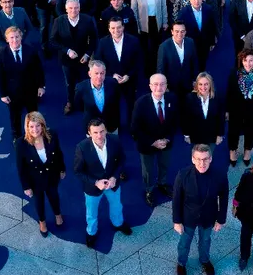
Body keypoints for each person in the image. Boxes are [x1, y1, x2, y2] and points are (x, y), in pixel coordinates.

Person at [73, 119, 133, 248]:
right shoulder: (82, 147)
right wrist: (95, 182)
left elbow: (122, 160)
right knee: (91, 212)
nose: (99, 136)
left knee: (117, 206)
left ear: (106, 130)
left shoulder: (115, 140)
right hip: (93, 188)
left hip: (113, 184)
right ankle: (91, 232)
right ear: (89, 133)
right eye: (95, 132)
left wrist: (114, 177)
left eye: (102, 131)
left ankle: (118, 223)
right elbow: (78, 172)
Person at [172, 144, 228, 275]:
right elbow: (176, 199)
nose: (201, 163)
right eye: (198, 159)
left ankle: (204, 260)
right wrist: (177, 221)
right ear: (192, 159)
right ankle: (181, 263)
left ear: (210, 159)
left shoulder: (219, 175)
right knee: (184, 242)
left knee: (205, 241)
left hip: (208, 217)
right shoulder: (183, 175)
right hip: (188, 218)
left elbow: (224, 198)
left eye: (205, 159)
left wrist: (221, 219)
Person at [131, 74, 179, 207]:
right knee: (148, 169)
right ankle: (149, 190)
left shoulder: (172, 99)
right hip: (147, 144)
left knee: (164, 165)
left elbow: (175, 122)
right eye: (156, 84)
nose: (159, 87)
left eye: (163, 84)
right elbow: (135, 128)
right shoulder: (141, 103)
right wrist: (153, 142)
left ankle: (162, 184)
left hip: (166, 143)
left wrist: (167, 139)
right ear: (150, 86)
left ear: (166, 85)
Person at [16, 112, 65, 237]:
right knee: (39, 201)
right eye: (31, 126)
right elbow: (21, 167)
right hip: (35, 180)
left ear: (42, 125)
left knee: (54, 196)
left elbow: (58, 153)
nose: (35, 130)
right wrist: (26, 186)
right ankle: (42, 222)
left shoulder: (52, 135)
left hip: (51, 175)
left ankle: (58, 215)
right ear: (27, 127)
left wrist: (62, 169)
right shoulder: (21, 143)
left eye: (37, 126)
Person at [0, 27, 45, 140]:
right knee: (15, 116)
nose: (15, 40)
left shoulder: (31, 50)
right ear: (7, 39)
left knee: (33, 115)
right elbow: (0, 76)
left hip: (30, 91)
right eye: (11, 37)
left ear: (21, 37)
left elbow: (38, 70)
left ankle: (36, 133)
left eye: (17, 37)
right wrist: (3, 94)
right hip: (12, 94)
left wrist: (41, 86)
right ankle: (16, 136)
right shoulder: (1, 54)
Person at [50, 0, 98, 115]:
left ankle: (84, 102)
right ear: (66, 9)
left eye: (76, 8)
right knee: (69, 83)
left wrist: (87, 54)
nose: (73, 10)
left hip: (83, 58)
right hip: (66, 59)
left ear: (79, 8)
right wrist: (67, 51)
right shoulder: (59, 21)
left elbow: (94, 39)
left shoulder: (87, 20)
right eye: (70, 8)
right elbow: (53, 40)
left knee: (84, 81)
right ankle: (70, 102)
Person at [94, 17, 142, 124]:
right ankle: (115, 127)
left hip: (129, 80)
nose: (116, 30)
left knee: (131, 105)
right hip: (111, 81)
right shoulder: (102, 42)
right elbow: (99, 62)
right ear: (109, 29)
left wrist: (128, 75)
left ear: (123, 27)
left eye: (119, 27)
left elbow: (138, 62)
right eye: (113, 28)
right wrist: (112, 75)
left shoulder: (134, 41)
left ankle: (132, 126)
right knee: (112, 106)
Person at [226, 49, 253, 167]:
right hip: (236, 108)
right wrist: (227, 110)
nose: (248, 64)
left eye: (250, 61)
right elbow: (229, 93)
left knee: (251, 131)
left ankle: (247, 152)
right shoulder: (234, 73)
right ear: (241, 61)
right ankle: (232, 151)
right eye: (245, 60)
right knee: (233, 131)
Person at [131, 0, 167, 78]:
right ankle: (148, 72)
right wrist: (136, 26)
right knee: (146, 49)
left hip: (157, 22)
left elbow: (163, 6)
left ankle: (157, 69)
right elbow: (134, 10)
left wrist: (165, 22)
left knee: (156, 48)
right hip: (144, 24)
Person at [74, 59, 121, 134]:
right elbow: (79, 106)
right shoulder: (81, 88)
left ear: (105, 73)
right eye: (96, 73)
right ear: (89, 74)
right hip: (92, 128)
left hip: (111, 126)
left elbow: (117, 100)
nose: (99, 76)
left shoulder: (113, 83)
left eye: (102, 73)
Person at [157, 20, 198, 103]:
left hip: (188, 84)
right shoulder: (164, 46)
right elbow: (161, 68)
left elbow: (195, 63)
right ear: (172, 32)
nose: (180, 34)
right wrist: (163, 86)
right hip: (172, 86)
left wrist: (195, 80)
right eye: (177, 31)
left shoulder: (190, 42)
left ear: (185, 32)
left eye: (182, 31)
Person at [178, 0, 218, 70]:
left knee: (202, 65)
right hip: (190, 45)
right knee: (190, 67)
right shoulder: (183, 12)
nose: (196, 1)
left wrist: (212, 42)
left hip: (204, 44)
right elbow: (179, 29)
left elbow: (212, 26)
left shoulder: (208, 9)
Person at [182, 73, 225, 146]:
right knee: (197, 157)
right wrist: (186, 135)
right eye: (200, 84)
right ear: (197, 85)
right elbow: (186, 118)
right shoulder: (190, 98)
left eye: (206, 84)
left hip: (212, 136)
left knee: (209, 157)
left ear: (210, 84)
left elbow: (220, 118)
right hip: (195, 136)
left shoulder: (217, 97)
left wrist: (220, 135)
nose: (203, 87)